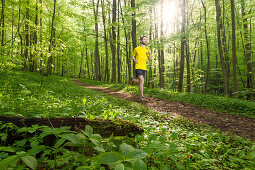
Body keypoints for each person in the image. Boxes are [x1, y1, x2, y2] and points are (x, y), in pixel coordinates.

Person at [131, 35, 151, 101]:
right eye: (144, 39)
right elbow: (133, 56)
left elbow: (149, 58)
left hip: (144, 67)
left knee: (141, 82)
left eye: (146, 39)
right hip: (138, 66)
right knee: (142, 80)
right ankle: (142, 96)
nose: (145, 40)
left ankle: (133, 80)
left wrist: (150, 54)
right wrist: (135, 60)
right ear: (141, 41)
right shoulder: (136, 49)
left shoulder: (147, 49)